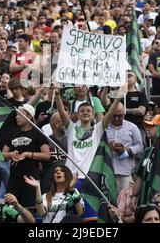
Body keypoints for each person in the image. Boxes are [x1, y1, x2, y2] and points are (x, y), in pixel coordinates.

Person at [55, 85, 123, 222]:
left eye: (88, 111)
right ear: (77, 114)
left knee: (90, 217)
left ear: (93, 114)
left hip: (90, 177)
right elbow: (62, 112)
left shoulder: (98, 129)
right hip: (71, 177)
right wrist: (57, 95)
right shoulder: (71, 128)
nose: (85, 113)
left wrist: (118, 97)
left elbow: (109, 113)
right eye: (82, 111)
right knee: (69, 216)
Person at [2, 104, 50, 210]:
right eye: (16, 115)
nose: (16, 117)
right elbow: (2, 154)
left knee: (30, 208)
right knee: (10, 208)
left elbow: (47, 155)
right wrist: (10, 155)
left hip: (31, 177)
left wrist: (27, 154)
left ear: (28, 116)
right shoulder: (12, 133)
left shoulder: (38, 133)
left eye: (19, 114)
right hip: (14, 177)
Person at [106, 102, 144, 193]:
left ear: (124, 113)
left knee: (125, 202)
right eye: (114, 115)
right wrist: (107, 147)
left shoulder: (132, 127)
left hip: (126, 171)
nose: (117, 118)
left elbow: (140, 147)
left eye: (120, 115)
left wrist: (126, 150)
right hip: (107, 170)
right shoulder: (103, 126)